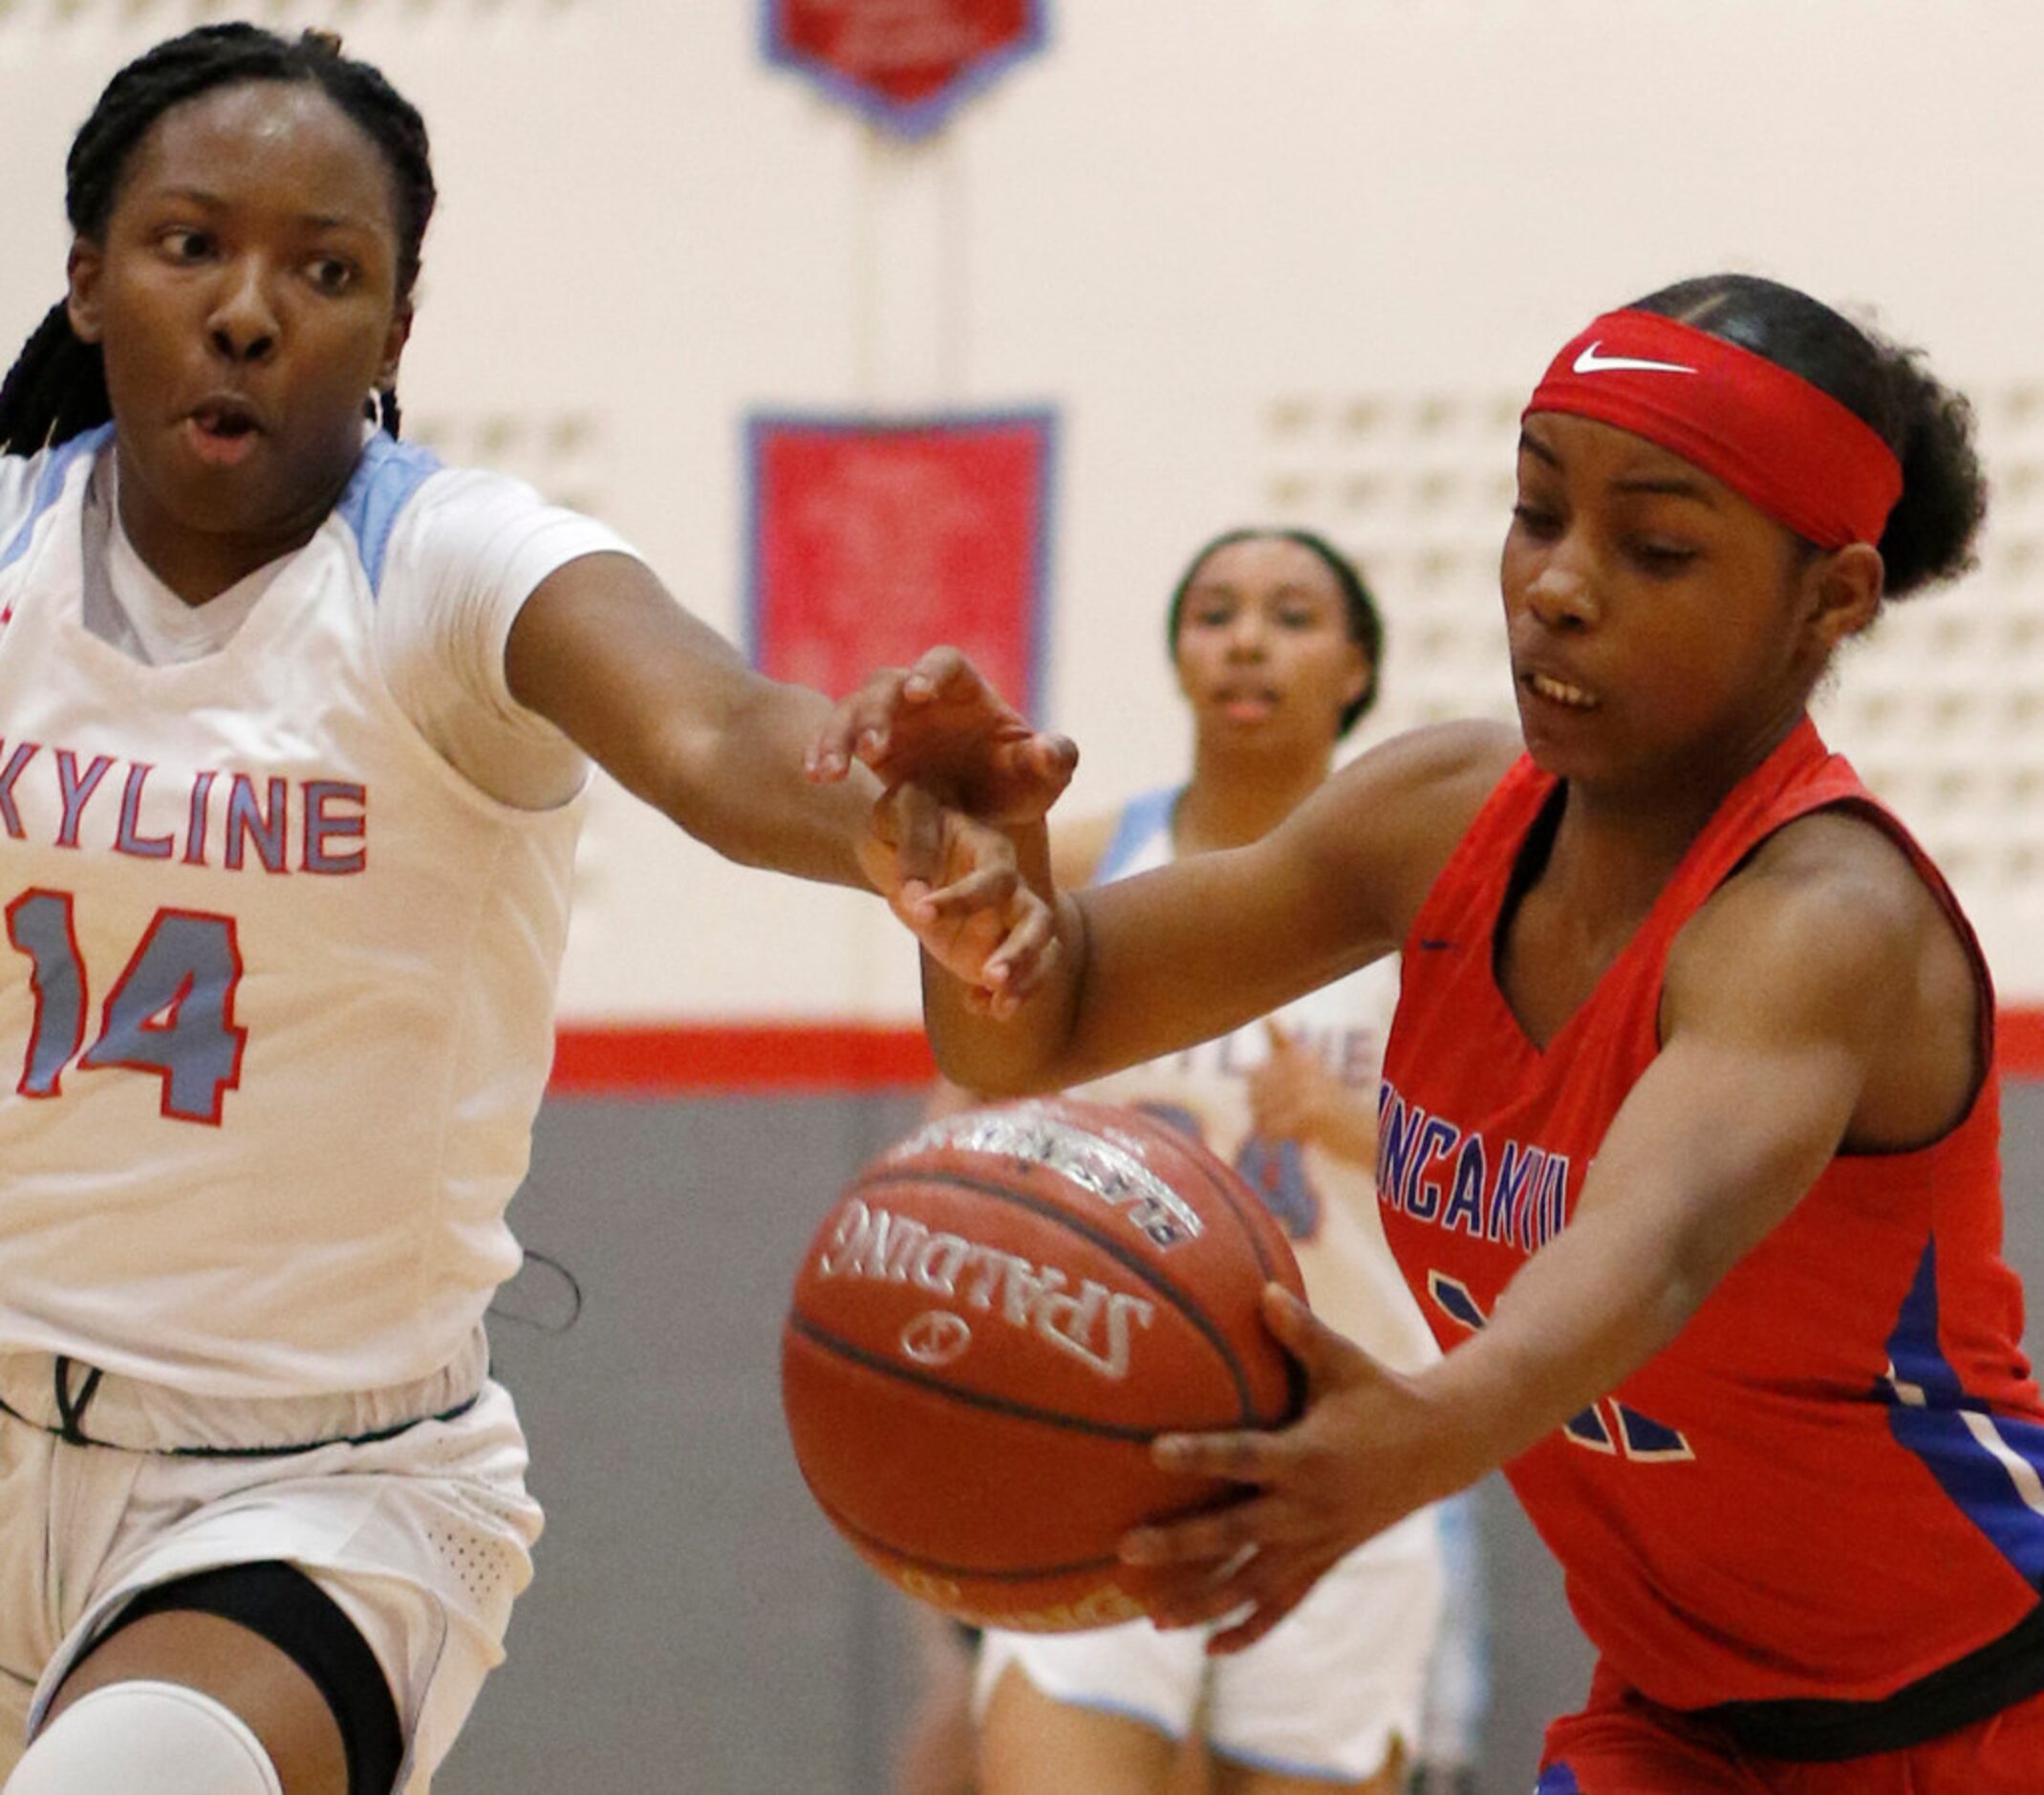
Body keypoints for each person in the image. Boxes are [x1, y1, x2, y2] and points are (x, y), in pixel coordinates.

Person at [0, 24, 1064, 1795]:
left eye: (325, 271)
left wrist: (893, 807)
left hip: (297, 1495)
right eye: (192, 246)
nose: (252, 308)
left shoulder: (451, 567)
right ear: (90, 279)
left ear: (396, 330)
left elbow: (719, 728)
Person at [819, 272, 2044, 1792]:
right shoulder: (1436, 813)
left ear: (1834, 597)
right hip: (1678, 1722)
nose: (1558, 586)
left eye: (1655, 546)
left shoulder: (1824, 919)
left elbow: (1644, 1249)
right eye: (1538, 512)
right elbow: (1040, 1022)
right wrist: (973, 886)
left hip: (1986, 1714)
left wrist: (1409, 1437)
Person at [940, 528, 1446, 1795]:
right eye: (1217, 611)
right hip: (1098, 1429)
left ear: (1357, 667)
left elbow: (1527, 1182)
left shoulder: (1431, 898)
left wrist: (1356, 1124)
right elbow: (965, 1112)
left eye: (1290, 613)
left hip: (1338, 1443)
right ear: (1178, 656)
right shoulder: (1097, 856)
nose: (1249, 638)